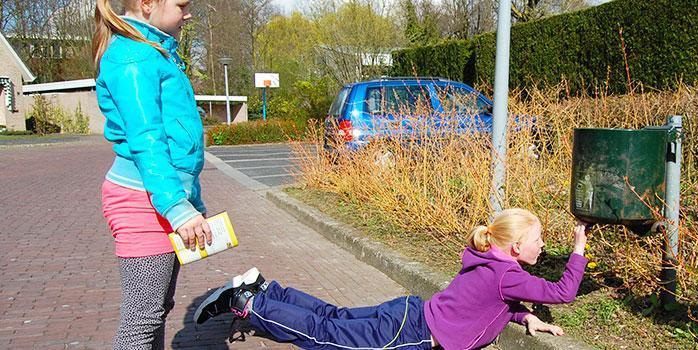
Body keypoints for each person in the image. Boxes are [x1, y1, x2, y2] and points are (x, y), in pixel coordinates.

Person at [194, 208, 589, 349]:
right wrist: (578, 245)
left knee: (333, 318)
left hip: (407, 313)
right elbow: (563, 291)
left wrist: (524, 317)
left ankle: (267, 288)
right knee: (322, 335)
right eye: (538, 240)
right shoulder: (509, 274)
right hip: (409, 336)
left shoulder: (490, 262)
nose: (542, 247)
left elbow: (488, 304)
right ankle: (248, 303)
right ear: (517, 246)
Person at [93, 0, 212, 348]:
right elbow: (147, 141)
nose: (187, 13)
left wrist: (191, 200)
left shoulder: (152, 53)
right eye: (181, 5)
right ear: (147, 4)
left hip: (159, 197)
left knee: (155, 310)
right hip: (143, 201)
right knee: (142, 319)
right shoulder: (133, 58)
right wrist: (177, 206)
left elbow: (175, 144)